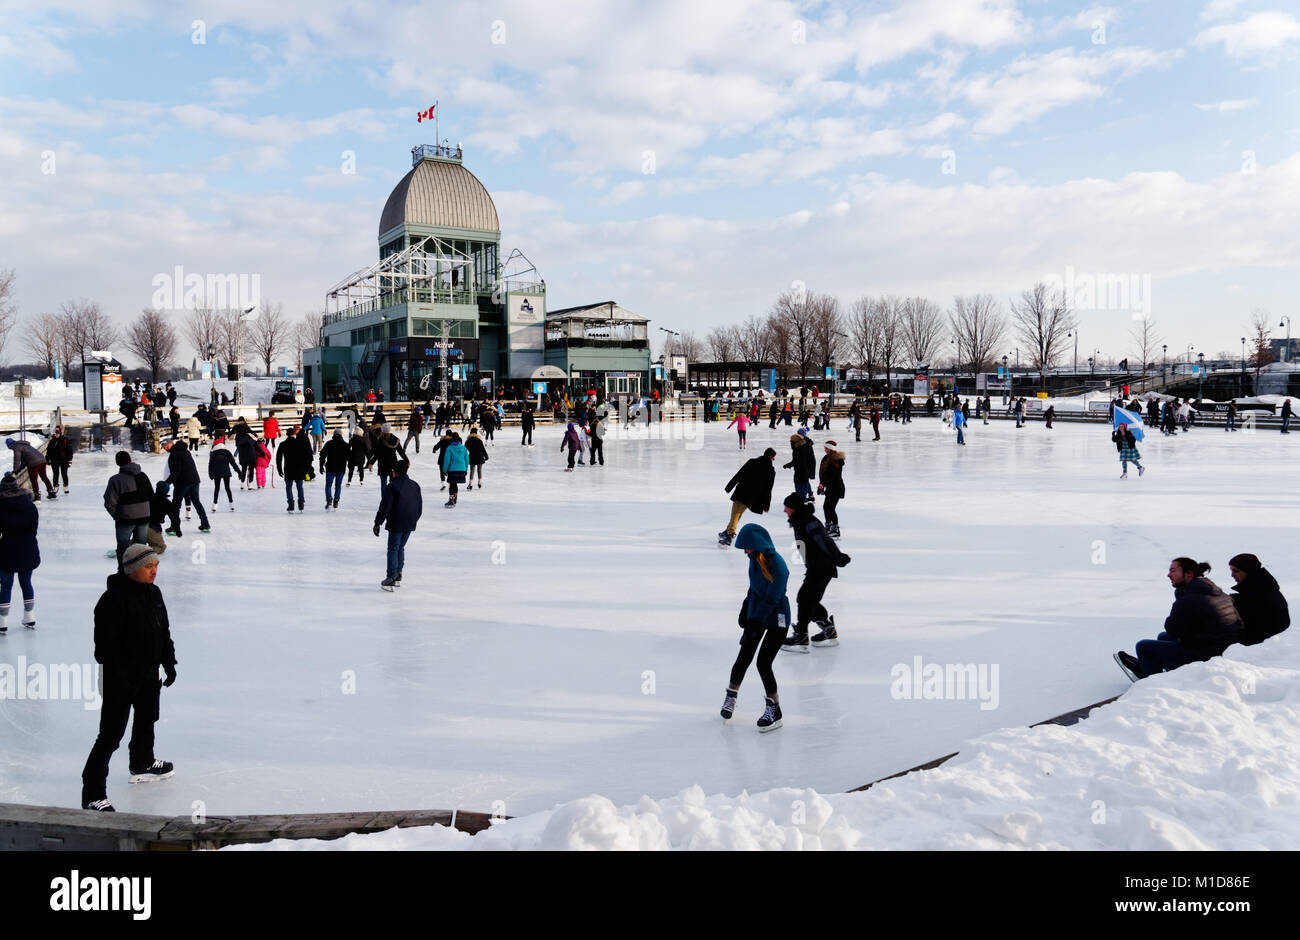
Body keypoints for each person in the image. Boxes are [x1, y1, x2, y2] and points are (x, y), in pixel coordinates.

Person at [80, 543, 177, 811]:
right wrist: (121, 681)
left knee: (147, 720)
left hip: (149, 674)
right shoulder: (111, 601)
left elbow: (163, 631)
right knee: (110, 736)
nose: (154, 570)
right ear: (132, 569)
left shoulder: (154, 593)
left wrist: (168, 662)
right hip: (119, 680)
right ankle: (92, 792)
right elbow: (105, 650)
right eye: (148, 566)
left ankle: (142, 762)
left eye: (156, 565)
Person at [1114, 558, 1242, 682]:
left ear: (1189, 574)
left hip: (1206, 655)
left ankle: (1153, 685)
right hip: (1221, 650)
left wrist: (1180, 597)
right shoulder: (1215, 592)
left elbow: (1173, 629)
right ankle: (1160, 672)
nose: (1168, 575)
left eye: (1173, 571)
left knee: (1143, 646)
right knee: (1163, 637)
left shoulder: (1190, 598)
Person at [720, 524, 790, 733]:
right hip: (758, 614)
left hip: (777, 617)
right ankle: (731, 696)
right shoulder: (754, 560)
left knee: (763, 663)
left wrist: (756, 620)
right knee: (744, 656)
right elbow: (754, 587)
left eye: (747, 547)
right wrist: (746, 609)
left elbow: (772, 597)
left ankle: (774, 709)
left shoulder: (778, 564)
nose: (745, 552)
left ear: (757, 545)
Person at [780, 493, 850, 652]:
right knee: (808, 599)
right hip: (815, 566)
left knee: (805, 599)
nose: (785, 510)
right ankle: (828, 630)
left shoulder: (808, 521)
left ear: (794, 508)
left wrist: (838, 557)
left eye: (787, 507)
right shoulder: (800, 520)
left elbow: (824, 540)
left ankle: (801, 636)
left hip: (822, 567)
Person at [372, 459, 422, 591]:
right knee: (400, 547)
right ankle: (398, 574)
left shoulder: (392, 487)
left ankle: (391, 578)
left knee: (393, 548)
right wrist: (414, 519)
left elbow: (385, 507)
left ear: (394, 473)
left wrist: (378, 523)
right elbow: (419, 506)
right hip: (410, 521)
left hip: (397, 522)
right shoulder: (415, 485)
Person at [0, 472, 39, 634]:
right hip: (27, 547)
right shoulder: (30, 505)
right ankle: (29, 616)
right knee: (26, 583)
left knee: (6, 584)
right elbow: (34, 528)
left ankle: (2, 621)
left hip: (7, 548)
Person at [1228, 553, 1290, 646]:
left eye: (1236, 571)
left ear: (1248, 571)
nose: (1232, 575)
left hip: (1258, 647)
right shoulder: (1263, 588)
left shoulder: (1258, 594)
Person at [719, 447, 777, 546]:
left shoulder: (752, 462)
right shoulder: (771, 470)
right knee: (738, 512)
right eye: (773, 458)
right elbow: (768, 490)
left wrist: (729, 487)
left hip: (742, 491)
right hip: (752, 497)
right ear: (771, 457)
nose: (774, 460)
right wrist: (766, 505)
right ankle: (728, 531)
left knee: (736, 512)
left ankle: (730, 534)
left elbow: (739, 474)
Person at [103, 451, 153, 565]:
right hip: (144, 516)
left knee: (123, 547)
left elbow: (109, 502)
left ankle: (123, 571)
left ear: (117, 463)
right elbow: (151, 495)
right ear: (130, 459)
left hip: (125, 518)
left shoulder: (115, 479)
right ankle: (141, 571)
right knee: (141, 546)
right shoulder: (143, 476)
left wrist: (116, 515)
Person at [166, 441, 211, 532]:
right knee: (196, 502)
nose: (165, 448)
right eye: (163, 446)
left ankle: (174, 527)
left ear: (171, 444)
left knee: (176, 505)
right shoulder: (186, 451)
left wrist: (166, 483)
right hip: (194, 480)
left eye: (166, 446)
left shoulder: (174, 454)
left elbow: (176, 471)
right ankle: (205, 524)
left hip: (183, 482)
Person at [367, 424, 409, 499]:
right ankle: (393, 499)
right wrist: (407, 461)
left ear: (382, 430)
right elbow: (401, 452)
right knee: (393, 483)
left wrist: (371, 463)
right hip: (393, 465)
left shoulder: (380, 439)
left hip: (383, 464)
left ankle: (385, 500)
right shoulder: (395, 439)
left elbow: (377, 453)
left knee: (383, 484)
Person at [276, 426, 312, 511]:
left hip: (288, 468)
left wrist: (279, 469)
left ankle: (291, 504)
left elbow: (279, 458)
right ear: (294, 433)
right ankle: (301, 503)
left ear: (287, 434)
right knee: (299, 486)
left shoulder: (282, 444)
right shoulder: (300, 443)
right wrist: (306, 468)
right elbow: (306, 455)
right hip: (299, 468)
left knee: (289, 487)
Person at [816, 442, 845, 538]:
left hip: (836, 488)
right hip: (831, 487)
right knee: (827, 507)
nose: (825, 450)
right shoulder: (829, 458)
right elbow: (825, 475)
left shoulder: (834, 460)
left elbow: (832, 476)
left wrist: (823, 485)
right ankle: (828, 526)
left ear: (830, 449)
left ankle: (835, 529)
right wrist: (822, 485)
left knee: (830, 508)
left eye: (826, 448)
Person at [319, 429, 349, 509]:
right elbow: (349, 457)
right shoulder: (345, 445)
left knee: (328, 485)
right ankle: (336, 500)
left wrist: (321, 466)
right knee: (338, 485)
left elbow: (322, 455)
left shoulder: (329, 443)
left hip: (330, 467)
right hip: (341, 468)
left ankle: (329, 498)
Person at [207, 438, 239, 511]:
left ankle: (214, 505)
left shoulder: (213, 454)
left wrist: (210, 474)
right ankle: (231, 505)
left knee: (217, 489)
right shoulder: (227, 452)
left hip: (217, 472)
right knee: (227, 488)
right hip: (226, 472)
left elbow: (210, 465)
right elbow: (233, 463)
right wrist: (238, 472)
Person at [783, 431, 816, 502]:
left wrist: (789, 465)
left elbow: (797, 461)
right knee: (803, 485)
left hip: (801, 472)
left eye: (791, 441)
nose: (790, 443)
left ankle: (802, 502)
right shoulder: (803, 447)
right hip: (804, 471)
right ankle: (806, 497)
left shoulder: (798, 450)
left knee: (800, 487)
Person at [441, 432, 469, 507]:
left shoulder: (449, 448)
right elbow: (467, 460)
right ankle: (455, 498)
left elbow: (447, 460)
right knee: (454, 484)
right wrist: (465, 470)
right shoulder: (464, 448)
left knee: (452, 484)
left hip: (453, 469)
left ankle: (451, 500)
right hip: (462, 469)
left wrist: (444, 470)